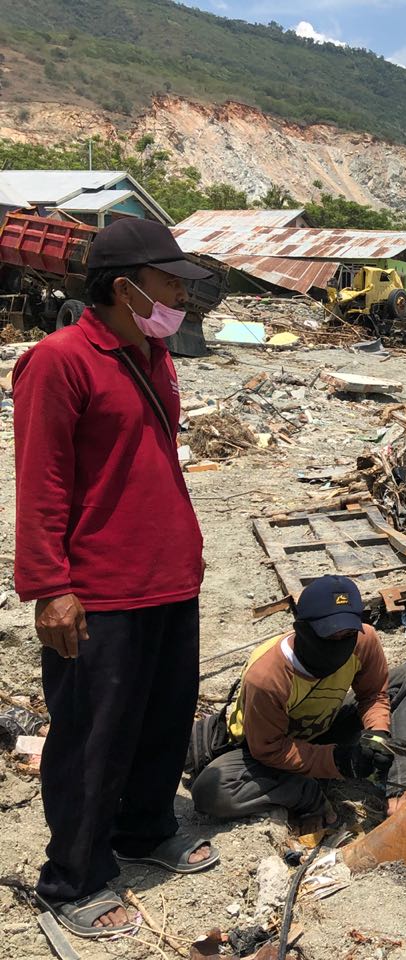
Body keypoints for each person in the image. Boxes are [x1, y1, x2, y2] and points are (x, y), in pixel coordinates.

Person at [12, 219, 217, 938]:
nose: (179, 295)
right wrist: (50, 588)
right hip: (98, 589)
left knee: (162, 720)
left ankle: (143, 828)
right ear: (124, 287)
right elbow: (41, 482)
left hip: (167, 577)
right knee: (91, 736)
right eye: (169, 282)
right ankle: (75, 876)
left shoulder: (153, 353)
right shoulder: (59, 360)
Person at [188, 577, 406, 824]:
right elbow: (270, 749)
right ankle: (305, 791)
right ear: (303, 629)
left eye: (347, 634)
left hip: (324, 728)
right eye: (330, 635)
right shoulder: (267, 676)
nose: (340, 643)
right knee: (212, 791)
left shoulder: (364, 640)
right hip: (263, 751)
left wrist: (378, 734)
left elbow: (373, 695)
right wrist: (339, 760)